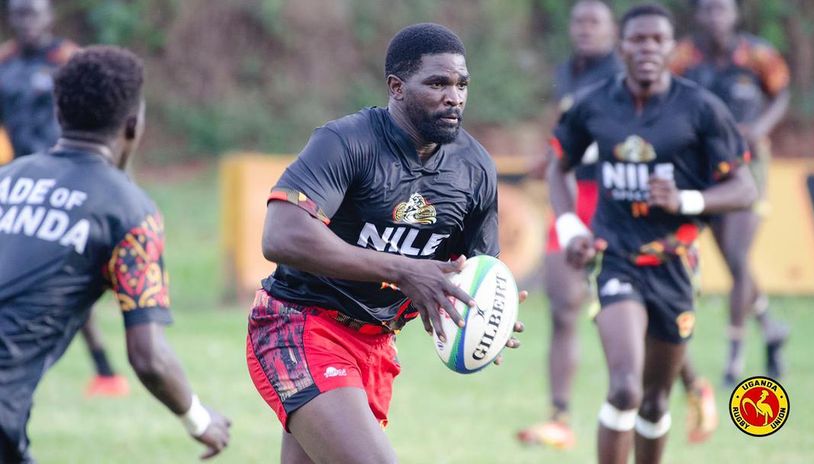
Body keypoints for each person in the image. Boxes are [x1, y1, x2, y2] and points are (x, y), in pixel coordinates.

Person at [247, 23, 525, 464]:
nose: (454, 96)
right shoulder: (347, 141)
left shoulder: (475, 170)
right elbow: (281, 235)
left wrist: (490, 310)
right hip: (300, 324)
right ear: (396, 87)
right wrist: (402, 269)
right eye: (437, 83)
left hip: (376, 345)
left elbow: (478, 267)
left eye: (461, 84)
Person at [546, 4, 757, 463]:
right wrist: (570, 227)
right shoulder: (594, 104)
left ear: (671, 47)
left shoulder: (701, 108)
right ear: (622, 47)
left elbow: (744, 187)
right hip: (615, 257)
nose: (646, 48)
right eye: (636, 39)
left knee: (656, 399)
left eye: (656, 40)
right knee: (625, 387)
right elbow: (557, 167)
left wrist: (687, 200)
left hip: (675, 264)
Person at [0, 46, 230, 463]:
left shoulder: (7, 178)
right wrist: (201, 420)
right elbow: (149, 356)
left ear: (59, 113)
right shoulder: (128, 212)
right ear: (132, 125)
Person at [0, 0, 129, 396]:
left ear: (50, 16)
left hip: (73, 185)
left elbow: (113, 117)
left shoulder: (70, 60)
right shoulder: (3, 63)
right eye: (19, 12)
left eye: (34, 11)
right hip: (24, 186)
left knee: (72, 274)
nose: (28, 20)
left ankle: (105, 369)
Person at [517, 0, 622, 450]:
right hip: (571, 196)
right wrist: (551, 155)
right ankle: (559, 417)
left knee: (635, 311)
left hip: (615, 199)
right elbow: (568, 127)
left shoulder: (624, 74)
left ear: (613, 30)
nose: (584, 29)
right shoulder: (569, 73)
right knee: (563, 307)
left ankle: (689, 385)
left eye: (594, 22)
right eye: (579, 22)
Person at [670, 0, 791, 387]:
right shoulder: (685, 56)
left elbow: (782, 94)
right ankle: (770, 326)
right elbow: (666, 95)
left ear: (735, 14)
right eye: (707, 10)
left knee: (738, 257)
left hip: (744, 167)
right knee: (729, 257)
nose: (715, 17)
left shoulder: (757, 54)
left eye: (722, 9)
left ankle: (734, 360)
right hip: (701, 168)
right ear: (699, 17)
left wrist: (759, 128)